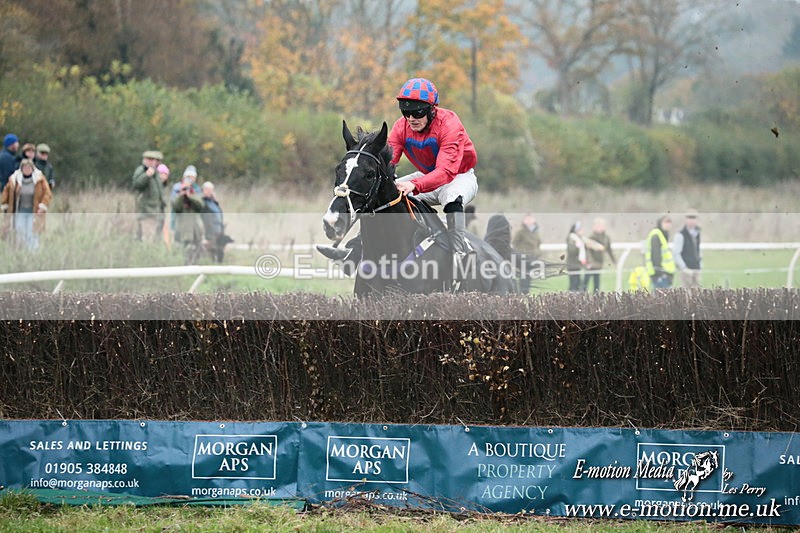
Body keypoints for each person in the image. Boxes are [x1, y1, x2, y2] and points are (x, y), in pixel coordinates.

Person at [317, 77, 478, 264]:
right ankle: (355, 250)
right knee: (381, 194)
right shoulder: (401, 126)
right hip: (426, 176)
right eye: (406, 112)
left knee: (451, 196)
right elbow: (388, 162)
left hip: (459, 176)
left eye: (417, 112)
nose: (411, 119)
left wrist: (414, 185)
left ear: (432, 110)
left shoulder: (449, 124)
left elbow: (446, 172)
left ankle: (458, 253)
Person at [1, 158, 52, 249]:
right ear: (21, 169)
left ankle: (33, 253)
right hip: (20, 211)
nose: (27, 169)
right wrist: (5, 205)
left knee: (32, 233)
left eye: (29, 168)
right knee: (20, 232)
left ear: (32, 169)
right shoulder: (14, 180)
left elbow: (47, 193)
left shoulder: (39, 179)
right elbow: (6, 192)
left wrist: (42, 206)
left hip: (34, 212)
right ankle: (21, 251)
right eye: (25, 168)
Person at [131, 150, 167, 241]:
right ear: (145, 160)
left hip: (155, 211)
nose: (154, 162)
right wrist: (146, 175)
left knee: (151, 237)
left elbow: (159, 191)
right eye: (150, 159)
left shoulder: (155, 172)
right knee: (147, 238)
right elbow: (136, 185)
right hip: (147, 211)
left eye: (156, 160)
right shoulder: (142, 170)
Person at [171, 176, 206, 264]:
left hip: (195, 231)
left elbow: (200, 206)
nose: (186, 190)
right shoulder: (177, 198)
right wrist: (181, 196)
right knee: (182, 254)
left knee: (195, 254)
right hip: (182, 232)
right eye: (184, 188)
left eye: (187, 188)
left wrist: (190, 196)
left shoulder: (195, 196)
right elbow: (176, 208)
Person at [200, 181, 232, 263]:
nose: (210, 192)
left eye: (211, 190)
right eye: (207, 190)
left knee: (218, 248)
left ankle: (217, 263)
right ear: (203, 190)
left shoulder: (213, 202)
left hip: (218, 229)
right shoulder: (202, 202)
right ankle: (209, 262)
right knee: (210, 248)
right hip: (209, 229)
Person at [584, 217, 616, 292]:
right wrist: (589, 262)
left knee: (597, 282)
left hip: (599, 263)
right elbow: (587, 252)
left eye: (601, 225)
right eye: (598, 225)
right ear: (594, 226)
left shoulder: (606, 237)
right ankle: (581, 296)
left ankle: (596, 297)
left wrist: (614, 261)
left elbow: (609, 250)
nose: (599, 227)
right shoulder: (591, 237)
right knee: (586, 282)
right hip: (590, 264)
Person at [512, 214, 542, 293]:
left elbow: (538, 243)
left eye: (531, 219)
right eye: (528, 219)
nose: (529, 221)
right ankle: (522, 294)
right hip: (524, 259)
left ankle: (525, 293)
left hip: (532, 258)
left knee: (528, 278)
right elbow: (514, 242)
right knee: (524, 278)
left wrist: (537, 253)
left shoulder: (535, 231)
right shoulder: (521, 231)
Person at [645, 215, 675, 289]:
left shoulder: (662, 234)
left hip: (664, 273)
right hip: (660, 274)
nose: (668, 224)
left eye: (669, 222)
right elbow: (655, 255)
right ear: (660, 223)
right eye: (665, 222)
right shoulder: (656, 235)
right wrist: (659, 272)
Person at [674, 210, 702, 289]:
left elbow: (698, 250)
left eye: (693, 218)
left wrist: (700, 265)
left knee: (696, 293)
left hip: (696, 269)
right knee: (686, 293)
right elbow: (676, 253)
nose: (691, 221)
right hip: (686, 271)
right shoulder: (680, 235)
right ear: (686, 220)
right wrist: (684, 267)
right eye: (689, 218)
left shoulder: (697, 233)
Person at [566, 221, 588, 291]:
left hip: (577, 265)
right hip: (572, 265)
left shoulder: (579, 239)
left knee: (577, 284)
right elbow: (572, 251)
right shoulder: (572, 238)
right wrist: (577, 246)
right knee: (574, 285)